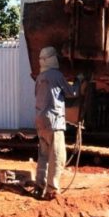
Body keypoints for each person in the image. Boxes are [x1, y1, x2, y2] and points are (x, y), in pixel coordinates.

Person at [34, 46, 81, 200]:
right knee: (57, 156)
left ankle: (39, 186)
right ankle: (52, 190)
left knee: (43, 155)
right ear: (53, 59)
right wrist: (79, 80)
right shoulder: (56, 75)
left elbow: (38, 96)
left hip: (40, 121)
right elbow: (71, 92)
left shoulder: (40, 77)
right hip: (54, 122)